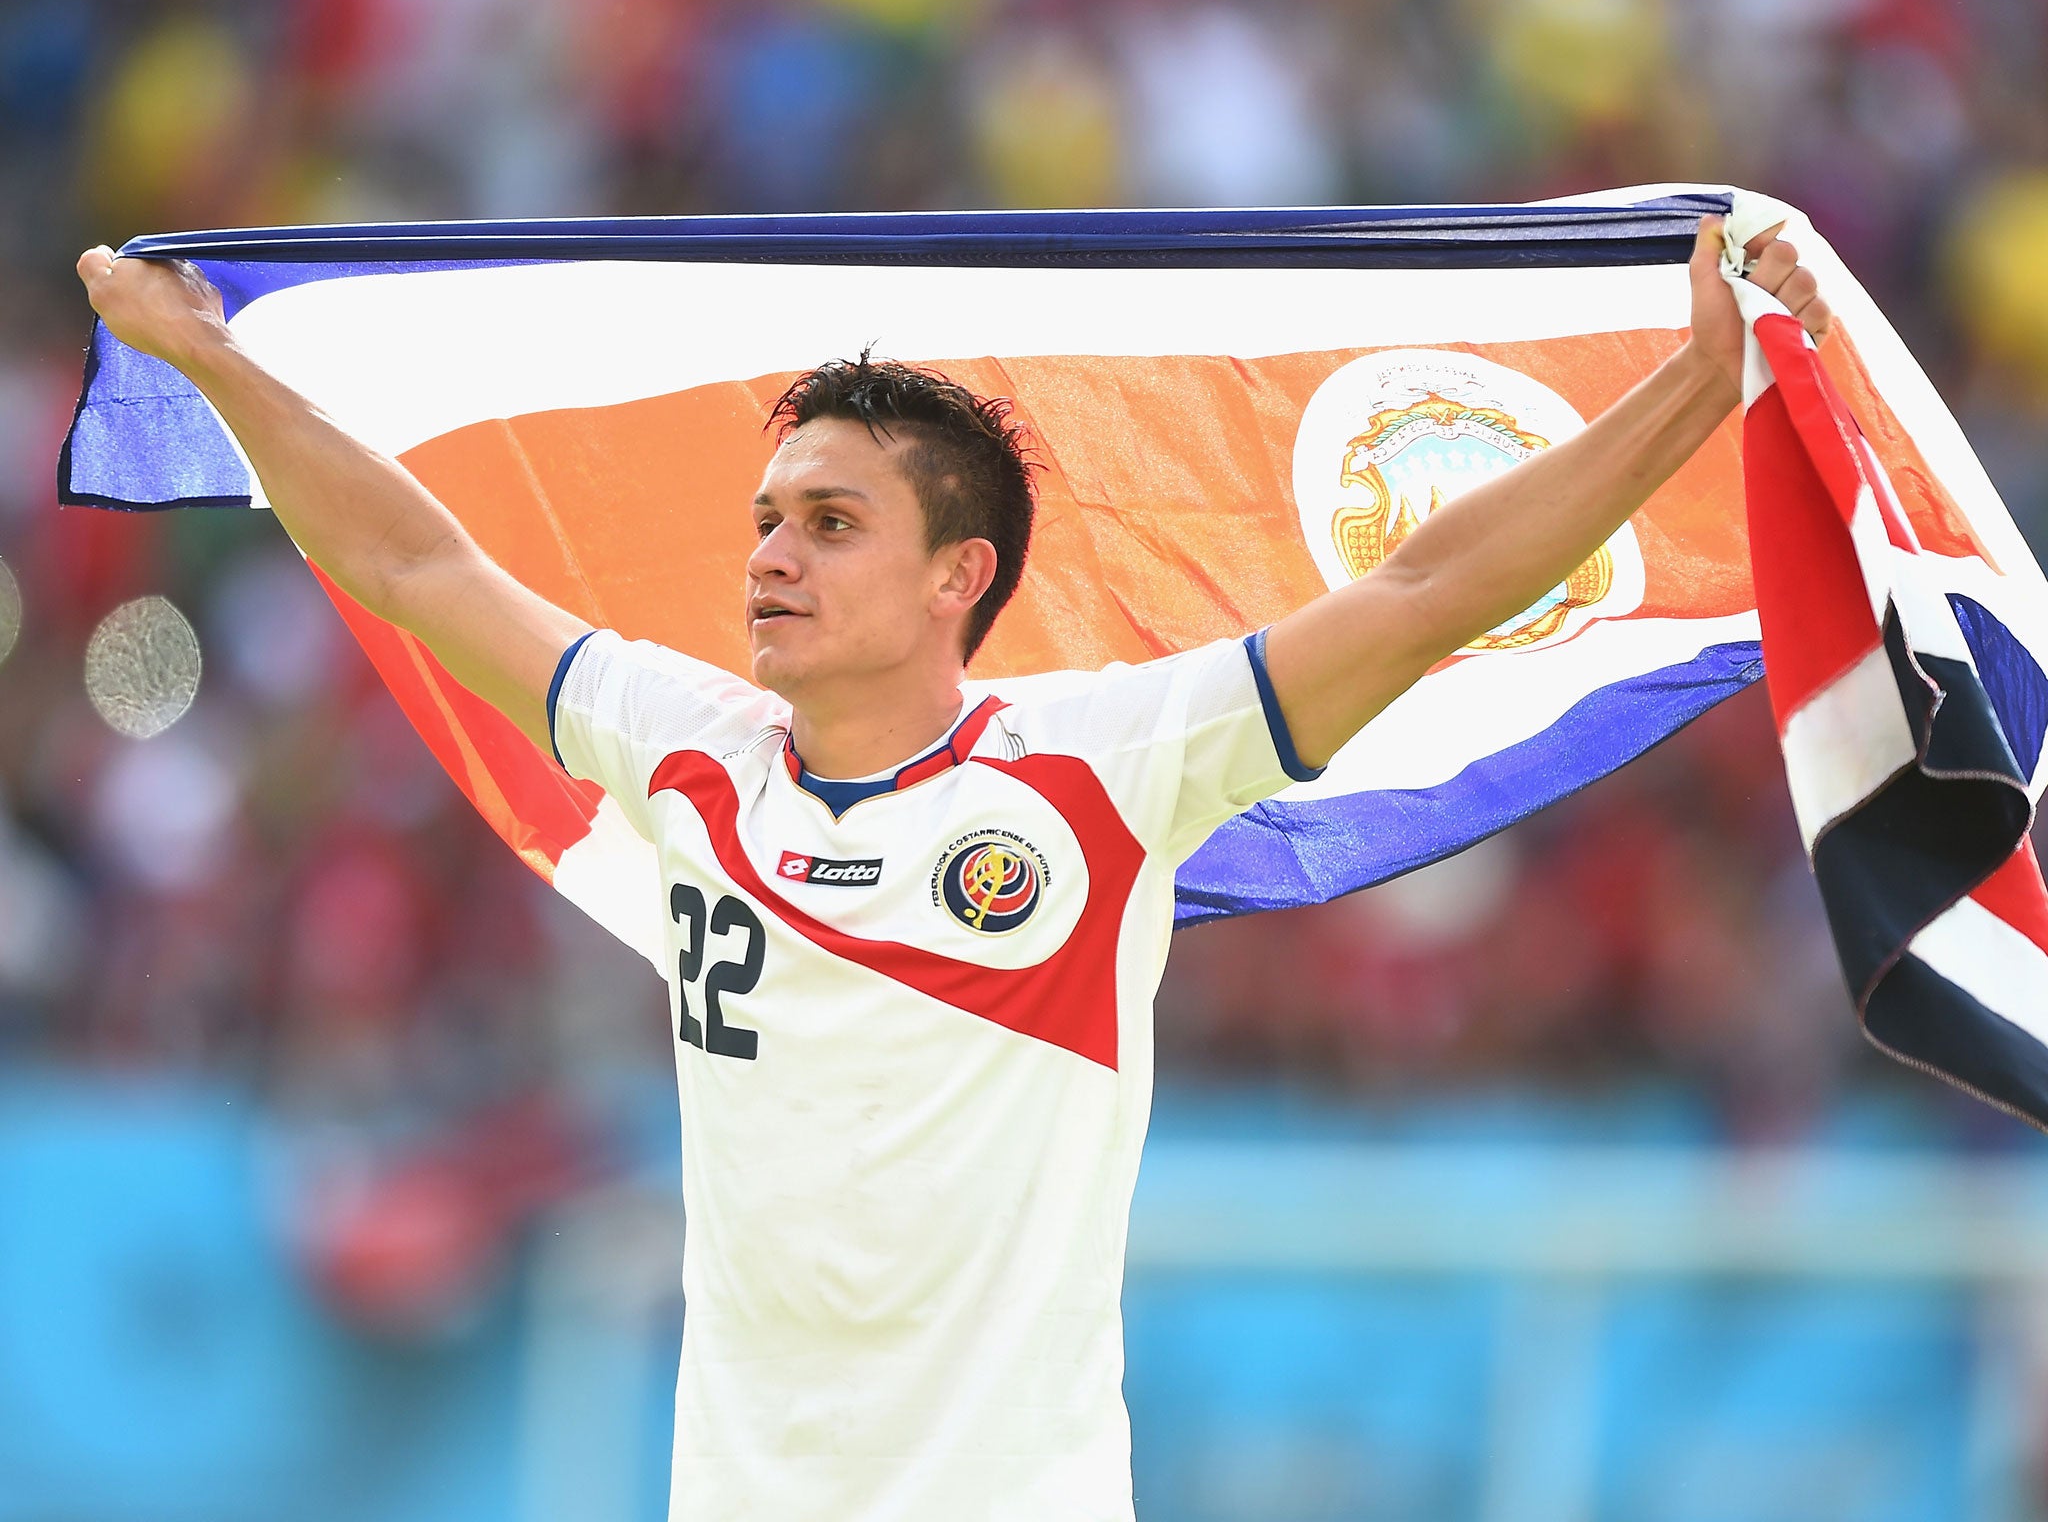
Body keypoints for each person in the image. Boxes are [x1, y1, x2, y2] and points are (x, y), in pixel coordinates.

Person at [75, 219, 1832, 1520]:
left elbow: (1424, 590)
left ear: (955, 578)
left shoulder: (1108, 766)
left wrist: (1695, 386)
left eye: (830, 523)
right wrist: (216, 360)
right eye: (768, 518)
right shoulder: (672, 739)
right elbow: (411, 559)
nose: (771, 555)